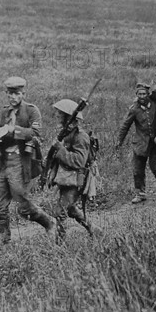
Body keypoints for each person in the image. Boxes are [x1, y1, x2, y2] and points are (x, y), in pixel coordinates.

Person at [0, 76, 54, 244]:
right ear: (6, 94)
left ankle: (48, 223)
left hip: (20, 162)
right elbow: (1, 133)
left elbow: (36, 134)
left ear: (23, 94)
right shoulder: (5, 112)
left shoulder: (32, 111)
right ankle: (4, 242)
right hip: (2, 162)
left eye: (16, 94)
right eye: (10, 94)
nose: (13, 98)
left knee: (23, 207)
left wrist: (11, 130)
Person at [47, 99, 94, 242]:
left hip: (76, 180)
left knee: (60, 212)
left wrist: (60, 149)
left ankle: (60, 246)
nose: (57, 116)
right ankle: (94, 230)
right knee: (71, 209)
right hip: (67, 178)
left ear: (67, 117)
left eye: (60, 114)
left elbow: (79, 161)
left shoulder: (81, 137)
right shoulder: (67, 134)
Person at [116, 83, 156, 203]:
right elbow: (125, 126)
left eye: (144, 93)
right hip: (140, 144)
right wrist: (119, 142)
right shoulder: (134, 109)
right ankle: (140, 193)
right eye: (139, 94)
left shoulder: (155, 105)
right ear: (136, 95)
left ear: (148, 94)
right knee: (138, 170)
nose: (142, 96)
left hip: (155, 144)